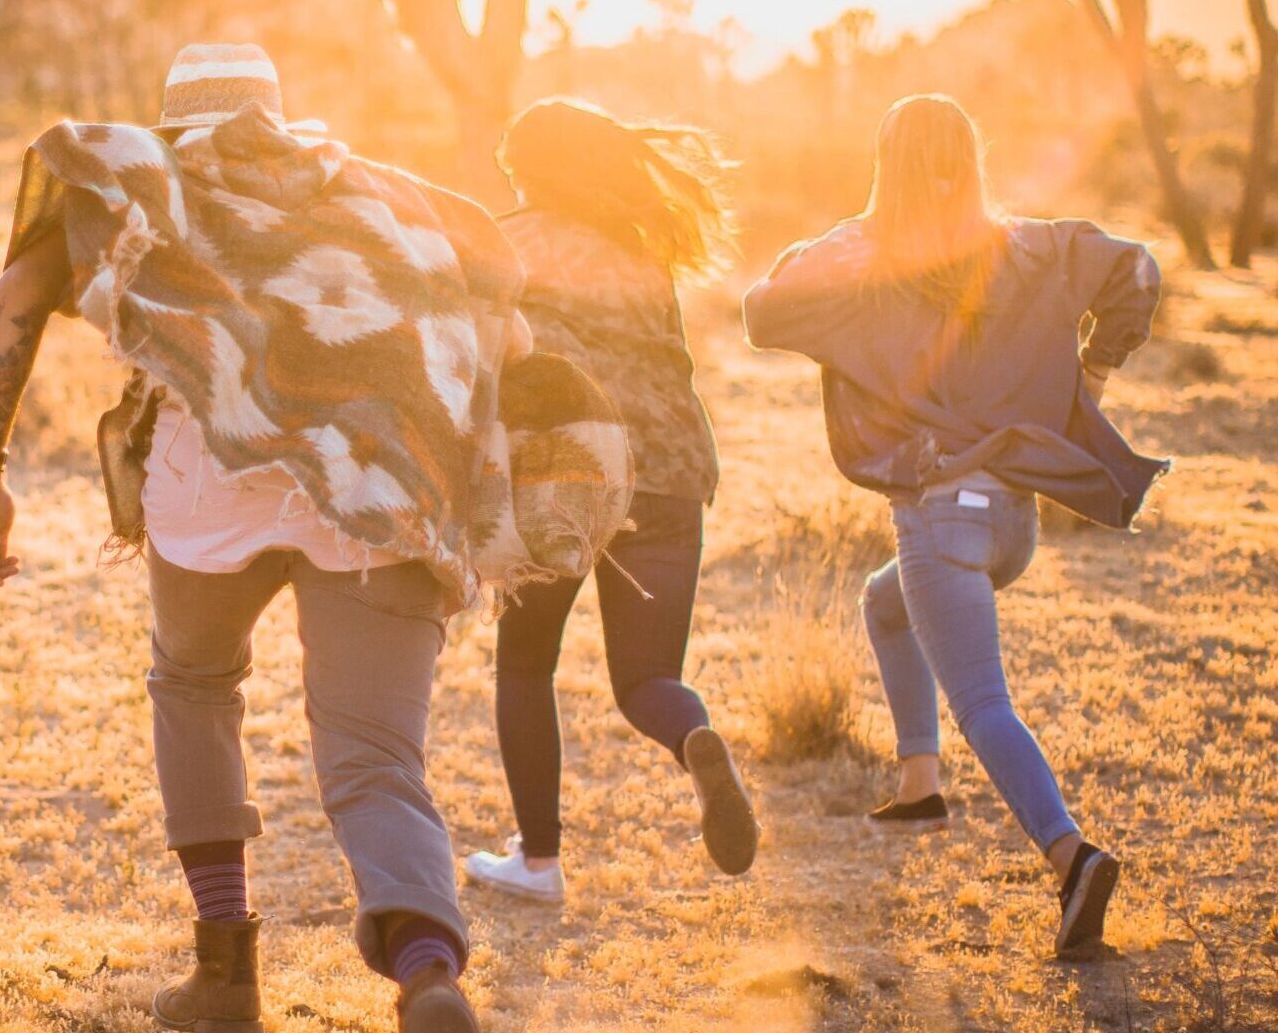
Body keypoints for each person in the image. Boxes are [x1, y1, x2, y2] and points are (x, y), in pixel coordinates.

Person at [0, 43, 595, 1033]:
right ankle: (427, 975)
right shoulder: (381, 199)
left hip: (208, 483)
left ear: (173, 122)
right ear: (276, 114)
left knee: (194, 684)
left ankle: (225, 969)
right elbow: (505, 329)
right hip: (376, 482)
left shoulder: (148, 180)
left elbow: (21, 287)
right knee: (376, 759)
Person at [743, 93, 1164, 959]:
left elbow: (762, 308)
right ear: (970, 161)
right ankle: (920, 782)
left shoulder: (866, 255)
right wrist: (1094, 371)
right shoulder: (1029, 243)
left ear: (885, 168)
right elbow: (1139, 270)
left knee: (983, 702)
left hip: (941, 518)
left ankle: (1072, 858)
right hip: (1012, 522)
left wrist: (844, 233)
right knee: (884, 603)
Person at [461, 100, 758, 904]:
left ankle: (539, 863)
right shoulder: (642, 252)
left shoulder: (506, 242)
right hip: (671, 471)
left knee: (527, 664)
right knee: (647, 679)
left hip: (567, 475)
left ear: (532, 169)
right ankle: (693, 736)